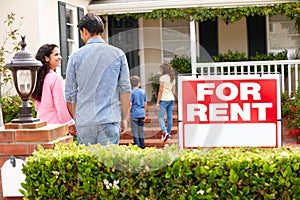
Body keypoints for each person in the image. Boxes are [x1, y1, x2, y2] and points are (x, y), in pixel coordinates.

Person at [65, 13, 131, 146]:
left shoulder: (75, 57)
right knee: (108, 165)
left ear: (84, 31)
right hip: (109, 118)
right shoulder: (118, 54)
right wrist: (124, 118)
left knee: (87, 164)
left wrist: (77, 119)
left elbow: (70, 95)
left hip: (85, 121)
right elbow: (125, 90)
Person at [32, 44, 76, 135]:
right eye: (56, 54)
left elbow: (37, 106)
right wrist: (70, 123)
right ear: (46, 58)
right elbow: (60, 105)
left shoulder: (37, 78)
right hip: (56, 126)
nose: (60, 57)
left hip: (41, 125)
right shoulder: (55, 78)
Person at [156, 63, 176, 142]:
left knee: (160, 117)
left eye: (160, 69)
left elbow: (160, 91)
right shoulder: (172, 77)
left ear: (163, 69)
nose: (160, 71)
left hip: (164, 99)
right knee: (169, 117)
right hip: (171, 98)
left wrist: (157, 102)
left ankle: (164, 131)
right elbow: (173, 91)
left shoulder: (162, 78)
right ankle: (169, 134)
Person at [129, 76, 147, 149]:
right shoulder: (143, 92)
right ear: (139, 83)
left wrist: (127, 114)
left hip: (134, 114)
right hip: (141, 113)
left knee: (135, 131)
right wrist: (145, 113)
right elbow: (145, 103)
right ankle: (142, 146)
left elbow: (130, 104)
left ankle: (137, 146)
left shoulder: (131, 92)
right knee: (141, 131)